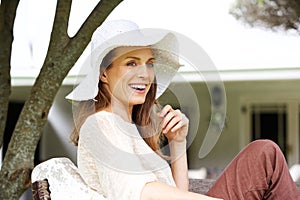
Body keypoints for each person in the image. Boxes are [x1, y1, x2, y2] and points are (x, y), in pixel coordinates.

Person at [65, 19, 300, 200]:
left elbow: (176, 193)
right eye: (131, 63)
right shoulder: (100, 124)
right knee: (264, 153)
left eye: (149, 63)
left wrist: (178, 142)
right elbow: (140, 193)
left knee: (263, 152)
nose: (145, 74)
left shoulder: (129, 130)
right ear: (104, 73)